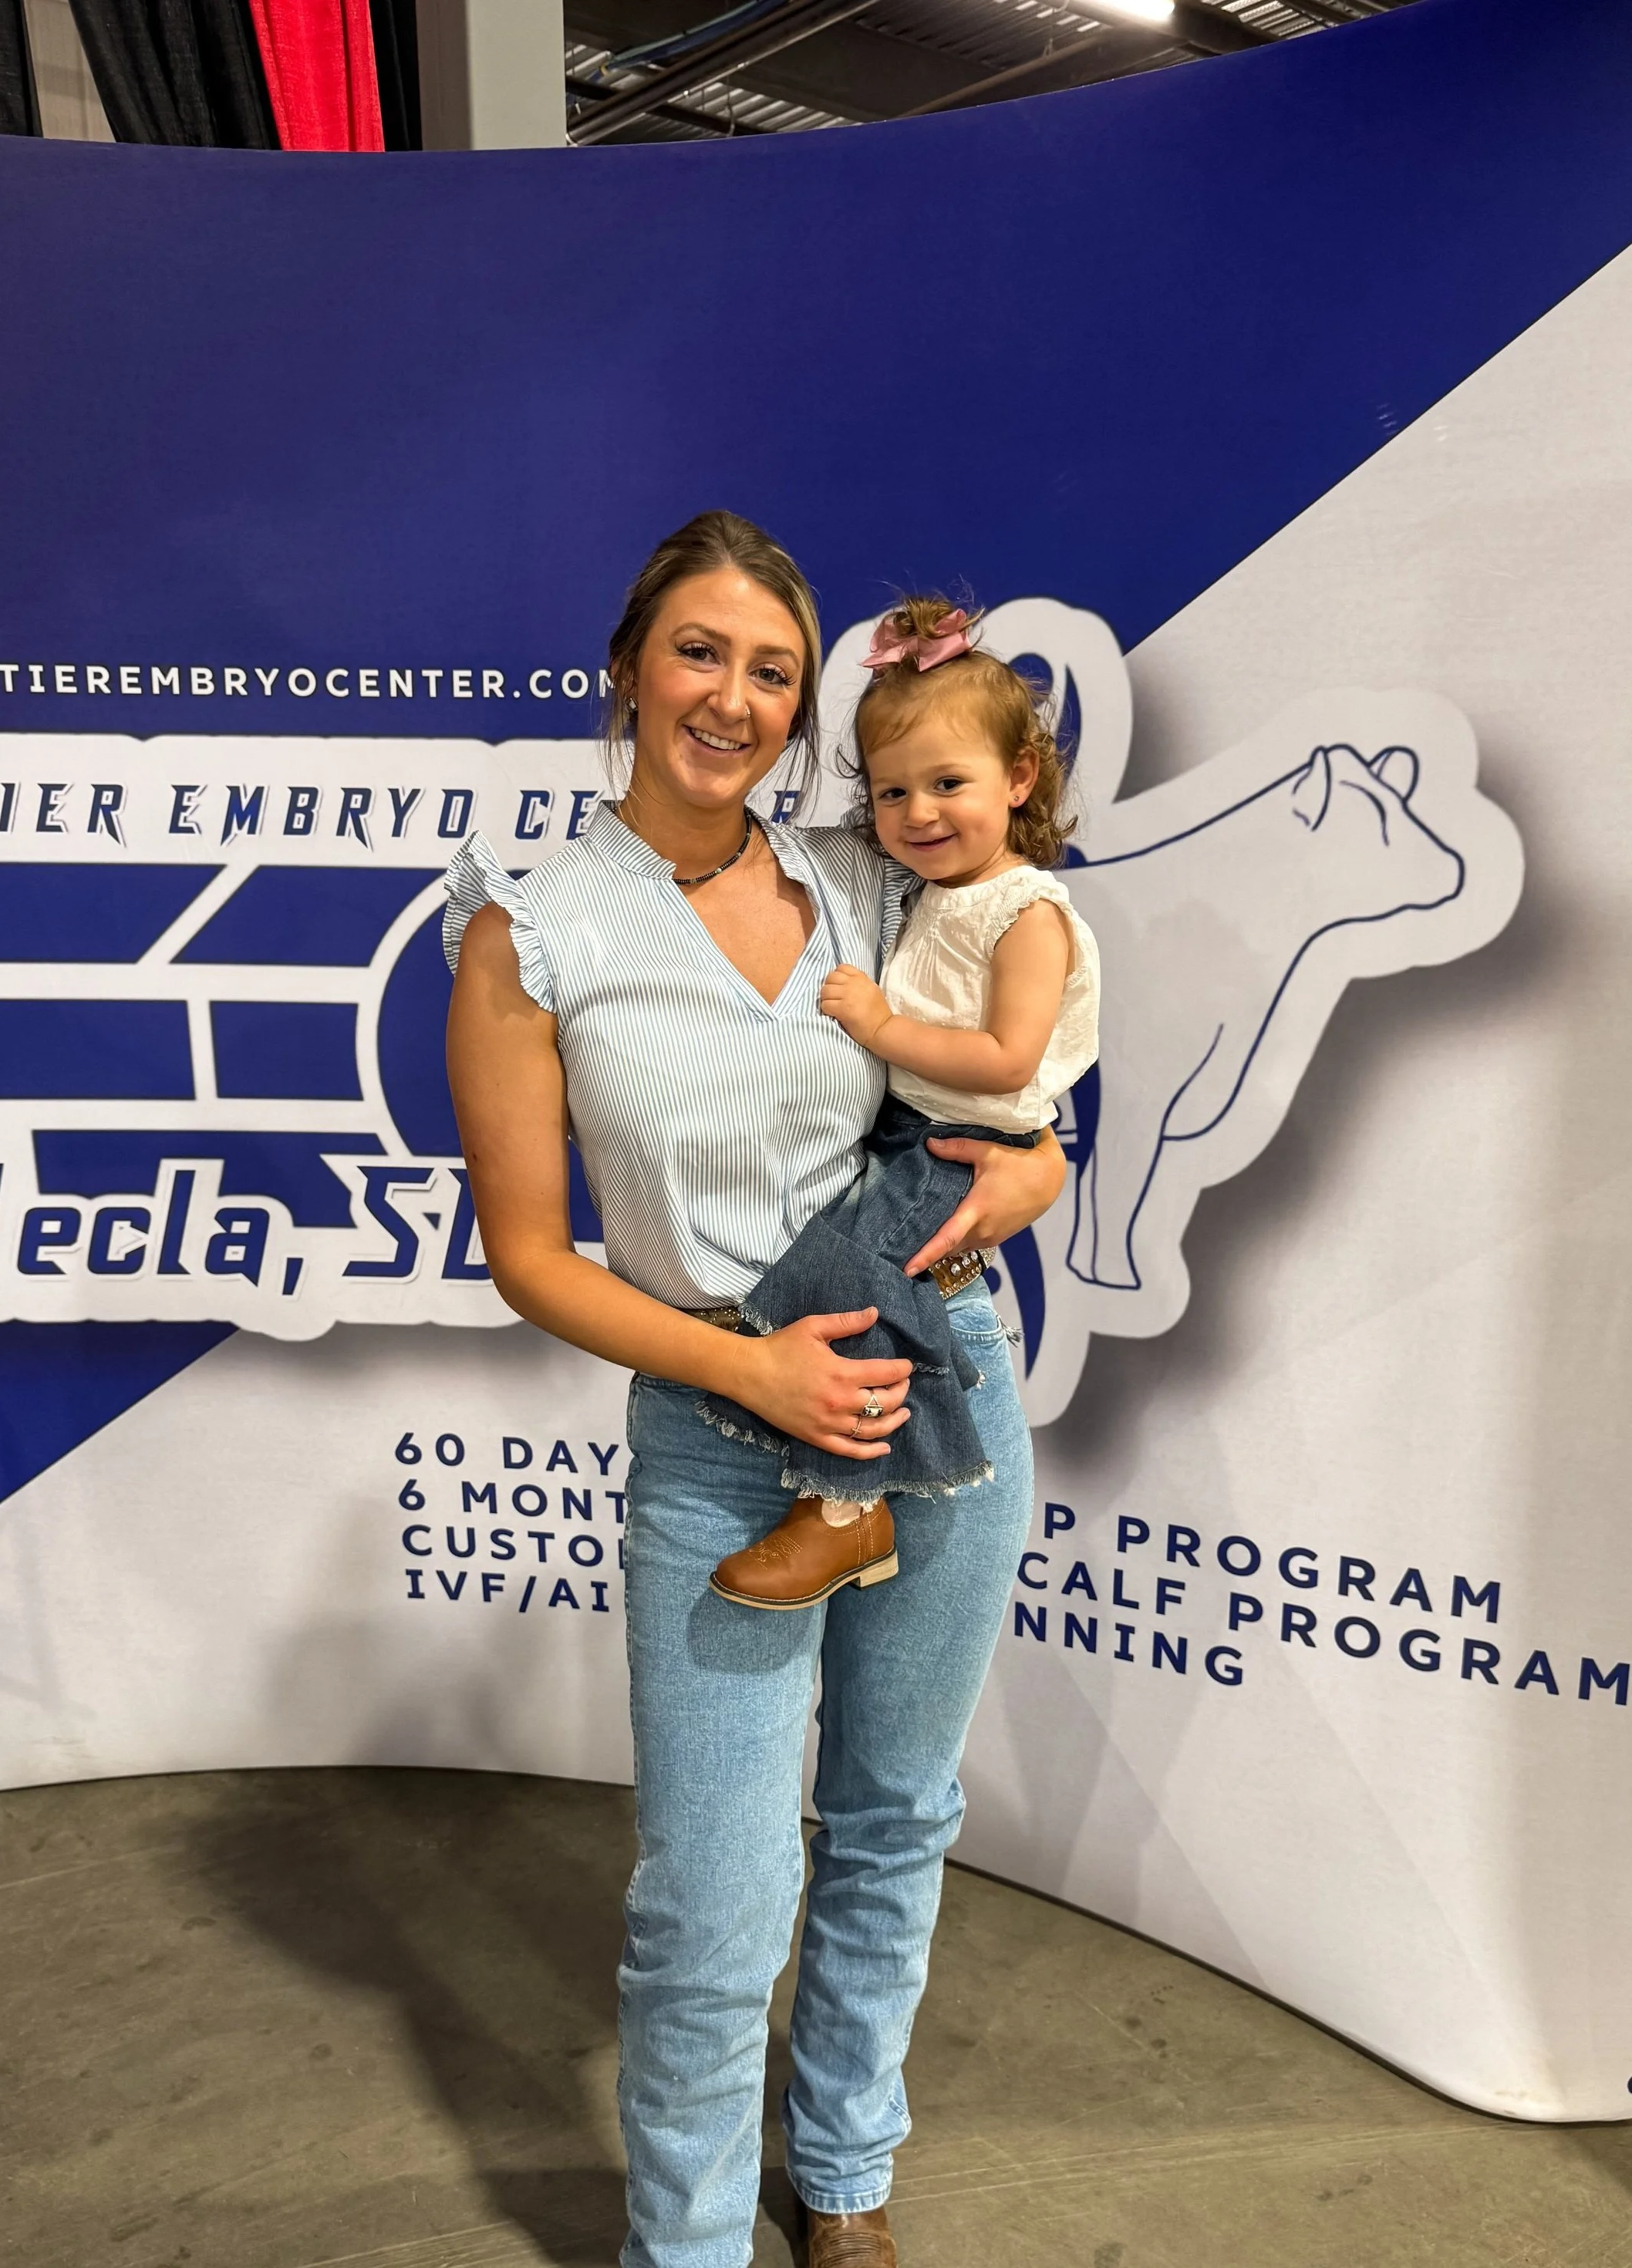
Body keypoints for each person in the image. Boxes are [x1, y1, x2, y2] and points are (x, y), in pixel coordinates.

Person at [443, 510, 1067, 2268]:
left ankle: (845, 2177)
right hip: (722, 1446)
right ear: (632, 667)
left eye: (771, 671)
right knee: (712, 1911)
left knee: (892, 1819)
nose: (730, 697)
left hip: (939, 1416)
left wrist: (1036, 1177)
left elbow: (1008, 1115)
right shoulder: (533, 928)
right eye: (699, 653)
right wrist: (752, 1371)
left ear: (806, 709)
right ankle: (691, 2243)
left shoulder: (873, 877)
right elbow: (533, 1256)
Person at [701, 595, 1100, 1613]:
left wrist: (879, 1029)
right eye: (890, 793)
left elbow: (1009, 1058)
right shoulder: (931, 890)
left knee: (855, 1278)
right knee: (813, 1267)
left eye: (948, 784)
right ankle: (876, 1443)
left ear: (1019, 779)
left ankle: (846, 1503)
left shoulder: (1025, 911)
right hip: (910, 1129)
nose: (918, 814)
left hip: (962, 1138)